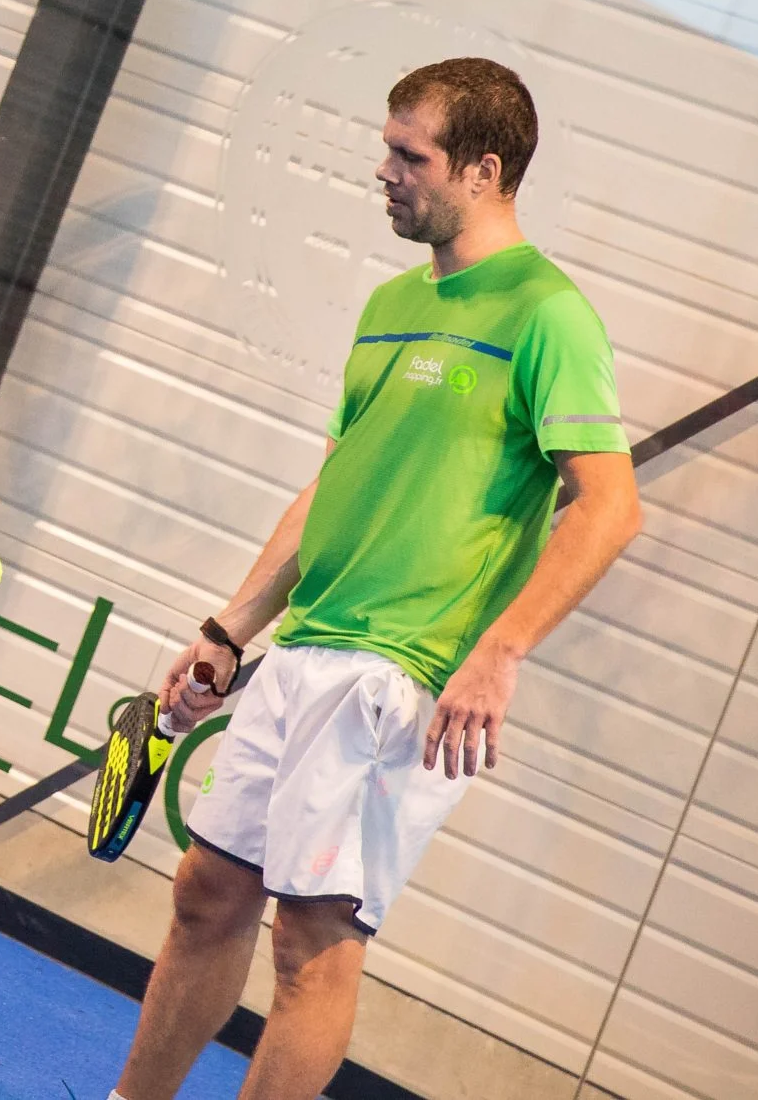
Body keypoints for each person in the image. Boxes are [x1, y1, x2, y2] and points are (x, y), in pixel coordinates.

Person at [109, 58, 641, 1099]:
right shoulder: (391, 302)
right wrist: (227, 628)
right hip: (308, 647)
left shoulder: (546, 313)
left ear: (483, 171)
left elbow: (608, 506)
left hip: (402, 679)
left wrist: (498, 650)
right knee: (206, 891)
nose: (382, 171)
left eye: (410, 155)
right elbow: (334, 481)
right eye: (386, 148)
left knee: (311, 943)